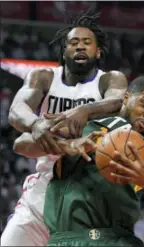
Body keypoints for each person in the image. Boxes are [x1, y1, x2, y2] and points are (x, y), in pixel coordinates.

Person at [1, 11, 127, 246]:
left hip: (89, 195)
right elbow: (17, 110)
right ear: (63, 52)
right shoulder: (45, 77)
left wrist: (84, 110)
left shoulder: (109, 80)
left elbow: (119, 101)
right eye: (74, 43)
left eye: (87, 43)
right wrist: (36, 123)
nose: (80, 47)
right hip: (45, 187)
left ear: (98, 51)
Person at [13, 76, 144, 247]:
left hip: (119, 241)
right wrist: (67, 145)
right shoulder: (86, 123)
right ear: (126, 98)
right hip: (67, 239)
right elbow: (21, 144)